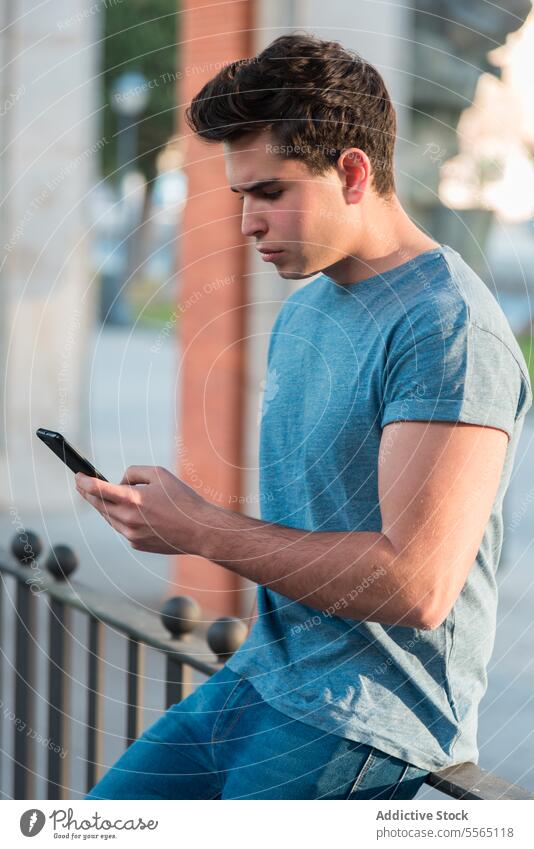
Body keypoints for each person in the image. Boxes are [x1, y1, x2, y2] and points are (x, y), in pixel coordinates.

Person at [80, 33, 532, 800]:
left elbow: (416, 583)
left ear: (353, 171)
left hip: (360, 721)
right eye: (240, 197)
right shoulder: (305, 310)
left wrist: (197, 527)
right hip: (259, 680)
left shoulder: (447, 327)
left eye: (270, 191)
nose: (248, 221)